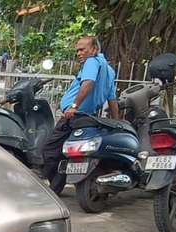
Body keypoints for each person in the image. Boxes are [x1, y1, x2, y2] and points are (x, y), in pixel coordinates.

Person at [41, 36, 120, 194]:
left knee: (49, 150)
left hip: (73, 116)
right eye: (77, 50)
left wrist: (74, 106)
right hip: (87, 118)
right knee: (64, 151)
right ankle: (56, 187)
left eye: (83, 49)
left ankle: (51, 185)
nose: (79, 53)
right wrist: (117, 121)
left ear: (94, 49)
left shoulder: (92, 62)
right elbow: (112, 99)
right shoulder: (109, 70)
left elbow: (88, 83)